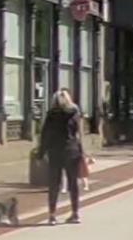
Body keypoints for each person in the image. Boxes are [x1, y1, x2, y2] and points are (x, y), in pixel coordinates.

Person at [37, 88, 86, 224]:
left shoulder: (51, 115)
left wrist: (41, 153)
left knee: (54, 184)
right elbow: (78, 134)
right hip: (72, 150)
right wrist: (81, 151)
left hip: (55, 151)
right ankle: (75, 213)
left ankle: (52, 215)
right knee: (73, 183)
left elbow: (45, 135)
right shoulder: (74, 113)